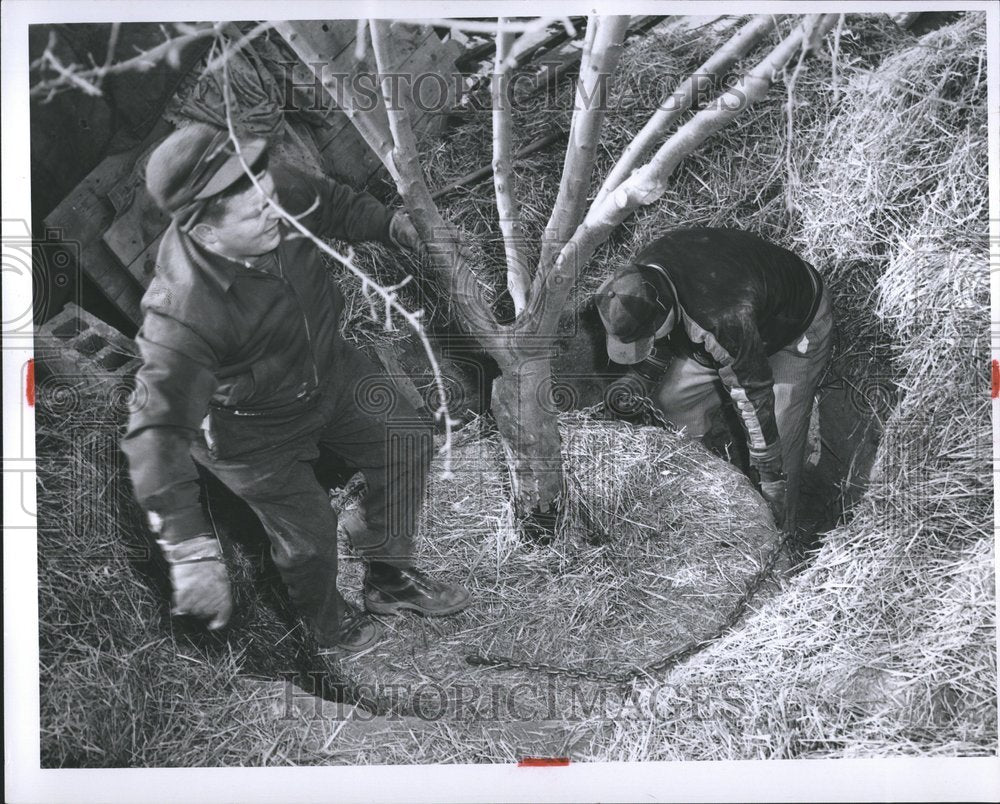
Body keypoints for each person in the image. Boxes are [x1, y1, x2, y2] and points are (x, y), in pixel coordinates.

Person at [121, 122, 469, 656]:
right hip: (253, 430)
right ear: (207, 234)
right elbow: (155, 433)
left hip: (328, 370)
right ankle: (325, 632)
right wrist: (190, 551)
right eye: (254, 212)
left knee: (406, 437)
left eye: (268, 196)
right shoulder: (181, 315)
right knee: (309, 539)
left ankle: (389, 578)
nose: (273, 209)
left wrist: (396, 226)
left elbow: (331, 204)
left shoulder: (268, 191)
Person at [597, 228, 833, 534]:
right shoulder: (640, 279)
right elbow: (665, 339)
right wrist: (640, 380)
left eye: (647, 337)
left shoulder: (720, 318)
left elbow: (753, 394)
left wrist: (769, 473)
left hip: (792, 328)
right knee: (673, 400)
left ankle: (776, 542)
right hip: (737, 325)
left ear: (665, 316)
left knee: (778, 453)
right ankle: (707, 493)